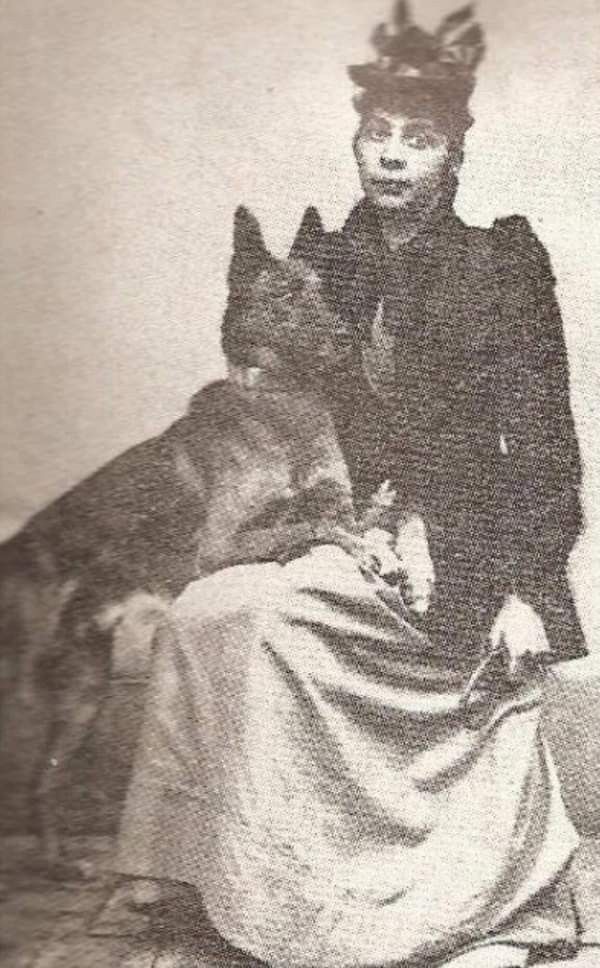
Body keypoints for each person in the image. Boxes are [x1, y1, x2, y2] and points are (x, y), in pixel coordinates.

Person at [112, 4, 587, 967]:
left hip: (463, 545)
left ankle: (383, 900)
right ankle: (228, 877)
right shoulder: (321, 260)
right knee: (207, 614)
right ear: (357, 143)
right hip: (338, 527)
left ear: (453, 154)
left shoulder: (500, 264)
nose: (395, 159)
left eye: (420, 141)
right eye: (380, 136)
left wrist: (527, 588)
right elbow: (265, 409)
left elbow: (545, 446)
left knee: (268, 624)